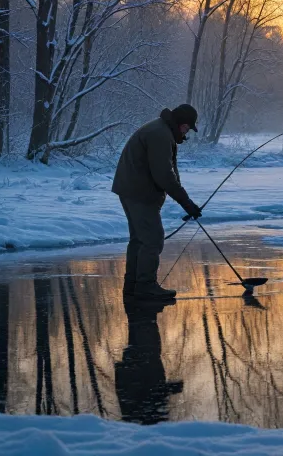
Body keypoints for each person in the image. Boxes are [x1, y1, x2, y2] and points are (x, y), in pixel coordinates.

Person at [112, 105, 202, 301]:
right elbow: (164, 176)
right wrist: (186, 203)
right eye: (187, 129)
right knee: (152, 239)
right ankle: (145, 286)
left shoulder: (161, 129)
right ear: (182, 124)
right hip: (138, 192)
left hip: (131, 189)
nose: (186, 134)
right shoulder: (160, 135)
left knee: (139, 239)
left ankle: (133, 286)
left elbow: (167, 173)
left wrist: (185, 201)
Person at [114, 299, 183, 424]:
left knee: (142, 325)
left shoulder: (136, 416)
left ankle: (143, 302)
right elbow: (150, 391)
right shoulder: (144, 417)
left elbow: (147, 392)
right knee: (145, 328)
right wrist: (170, 389)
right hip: (144, 364)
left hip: (139, 365)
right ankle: (144, 299)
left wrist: (168, 389)